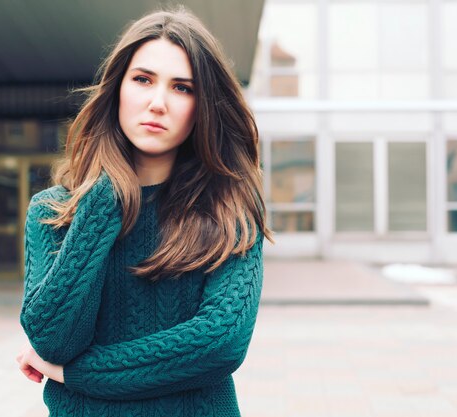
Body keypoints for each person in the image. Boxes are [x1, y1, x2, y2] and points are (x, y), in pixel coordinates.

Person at [15, 6, 273, 417]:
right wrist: (103, 195)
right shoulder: (55, 212)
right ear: (118, 88)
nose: (157, 103)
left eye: (182, 88)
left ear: (203, 105)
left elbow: (218, 344)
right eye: (143, 80)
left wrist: (76, 375)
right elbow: (53, 341)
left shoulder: (230, 210)